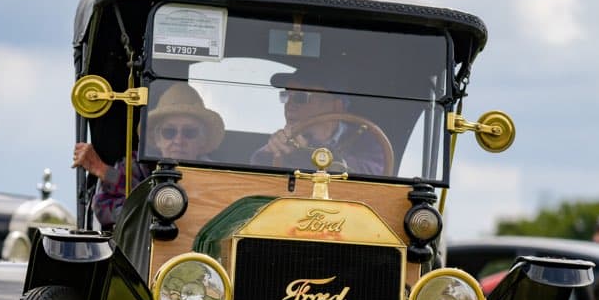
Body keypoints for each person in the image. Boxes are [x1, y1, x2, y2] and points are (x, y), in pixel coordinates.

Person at [72, 82, 225, 229]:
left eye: (189, 133)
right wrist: (105, 172)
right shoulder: (137, 164)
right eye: (169, 132)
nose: (178, 140)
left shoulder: (217, 176)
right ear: (157, 139)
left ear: (203, 141)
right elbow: (102, 208)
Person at [252, 65, 387, 176]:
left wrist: (309, 152)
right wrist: (271, 152)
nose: (289, 105)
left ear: (336, 106)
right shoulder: (282, 146)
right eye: (286, 96)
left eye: (300, 97)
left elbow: (375, 176)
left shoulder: (366, 141)